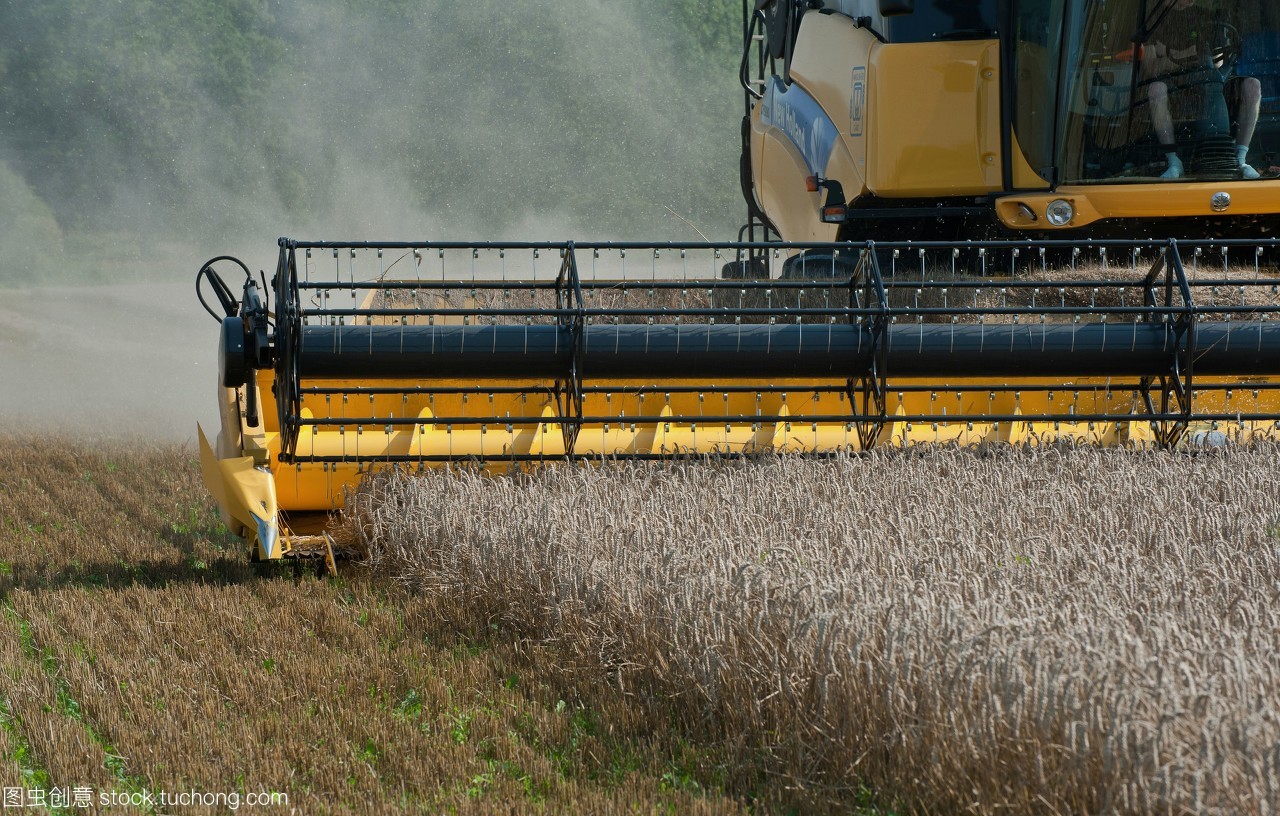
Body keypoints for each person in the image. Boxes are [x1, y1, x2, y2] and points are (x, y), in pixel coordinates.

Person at [1142, 0, 1262, 179]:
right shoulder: (1154, 19)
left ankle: (1240, 158)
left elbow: (1217, 61)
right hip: (1177, 85)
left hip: (1210, 80)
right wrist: (1185, 57)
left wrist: (1175, 56)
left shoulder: (1207, 16)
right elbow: (1150, 68)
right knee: (1155, 89)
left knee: (1253, 86)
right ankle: (1174, 161)